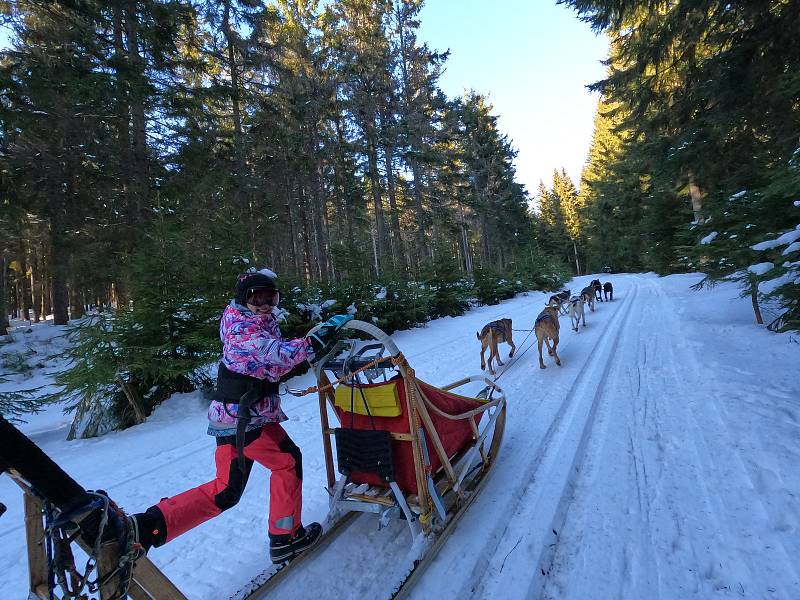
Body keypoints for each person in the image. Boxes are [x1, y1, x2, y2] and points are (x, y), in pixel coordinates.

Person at [130, 268, 352, 564]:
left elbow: (270, 363)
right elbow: (279, 354)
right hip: (246, 420)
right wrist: (314, 341)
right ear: (242, 299)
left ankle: (146, 528)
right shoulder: (243, 328)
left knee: (226, 491)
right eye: (256, 298)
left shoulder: (255, 320)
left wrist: (306, 343)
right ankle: (286, 537)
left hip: (235, 419)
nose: (264, 305)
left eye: (270, 298)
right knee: (287, 462)